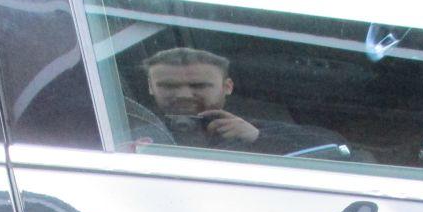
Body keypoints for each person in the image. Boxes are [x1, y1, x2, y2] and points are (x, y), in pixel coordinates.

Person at [129, 47, 344, 156]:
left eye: (199, 86)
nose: (184, 94)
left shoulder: (253, 129)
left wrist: (258, 138)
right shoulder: (122, 127)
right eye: (168, 86)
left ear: (227, 87)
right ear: (150, 87)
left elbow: (336, 147)